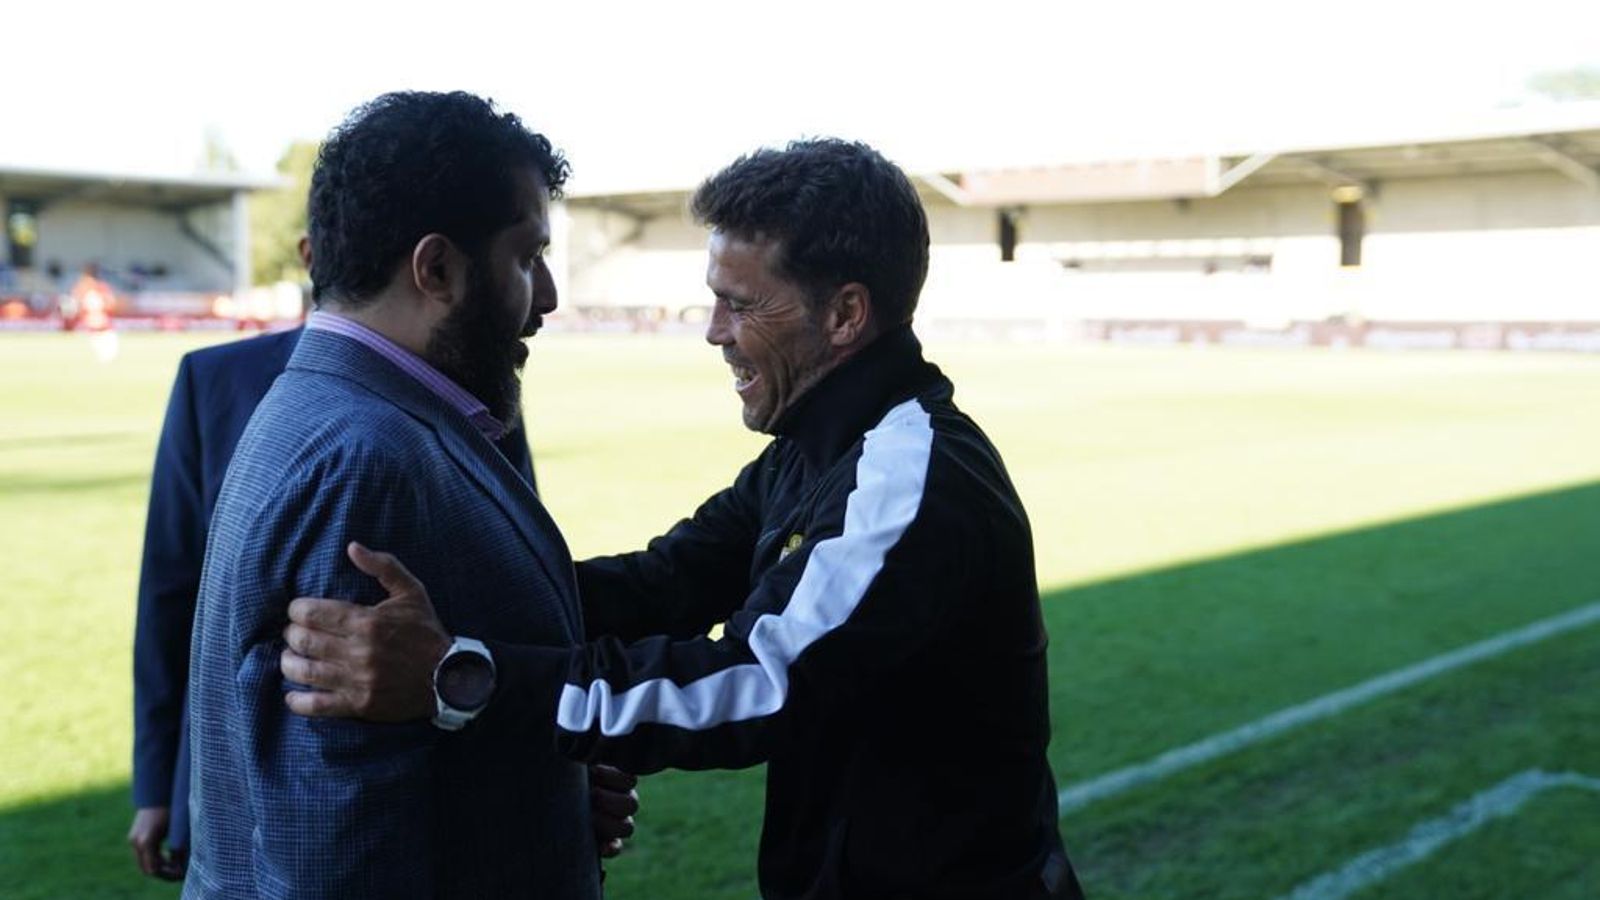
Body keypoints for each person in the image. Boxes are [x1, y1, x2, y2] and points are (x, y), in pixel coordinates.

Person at [281, 138, 1084, 899]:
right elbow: (669, 580)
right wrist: (444, 609)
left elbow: (753, 685)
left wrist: (460, 673)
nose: (714, 332)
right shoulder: (815, 447)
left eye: (739, 305)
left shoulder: (913, 480)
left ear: (844, 315)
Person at [183, 91, 615, 899]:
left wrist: (535, 789)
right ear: (438, 269)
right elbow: (329, 848)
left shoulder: (345, 412)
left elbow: (404, 733)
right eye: (527, 257)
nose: (548, 296)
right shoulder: (366, 457)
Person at [127, 316, 541, 880]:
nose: (544, 294)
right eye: (525, 258)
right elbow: (170, 588)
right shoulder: (214, 376)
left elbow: (515, 579)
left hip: (448, 798)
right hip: (236, 785)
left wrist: (558, 764)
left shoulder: (473, 381)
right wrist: (155, 783)